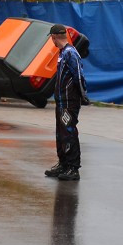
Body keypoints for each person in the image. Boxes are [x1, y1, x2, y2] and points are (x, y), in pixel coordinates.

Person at [45, 24, 88, 181]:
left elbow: (78, 75)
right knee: (61, 133)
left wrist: (83, 95)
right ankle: (63, 164)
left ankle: (73, 168)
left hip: (70, 101)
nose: (52, 41)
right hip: (61, 101)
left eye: (51, 38)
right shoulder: (62, 53)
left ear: (54, 37)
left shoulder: (71, 53)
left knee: (69, 132)